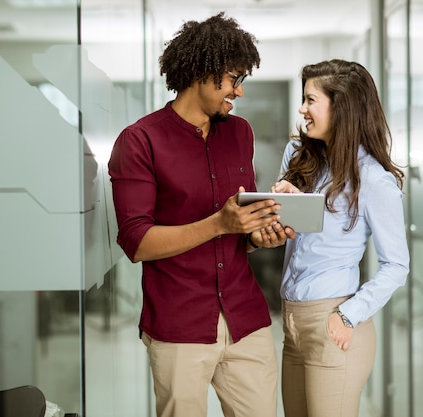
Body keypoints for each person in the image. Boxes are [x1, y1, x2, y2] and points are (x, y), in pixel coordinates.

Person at [108, 12, 295, 417]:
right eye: (233, 79)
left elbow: (240, 226)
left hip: (247, 319)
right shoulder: (139, 141)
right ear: (201, 71)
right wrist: (220, 223)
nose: (239, 92)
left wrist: (257, 234)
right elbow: (136, 242)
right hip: (180, 325)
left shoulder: (240, 132)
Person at [272, 59, 410, 417]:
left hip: (333, 322)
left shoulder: (373, 180)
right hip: (292, 323)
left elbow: (397, 265)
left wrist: (347, 315)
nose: (302, 109)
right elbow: (289, 235)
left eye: (310, 100)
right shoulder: (299, 155)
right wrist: (282, 203)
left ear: (342, 107)